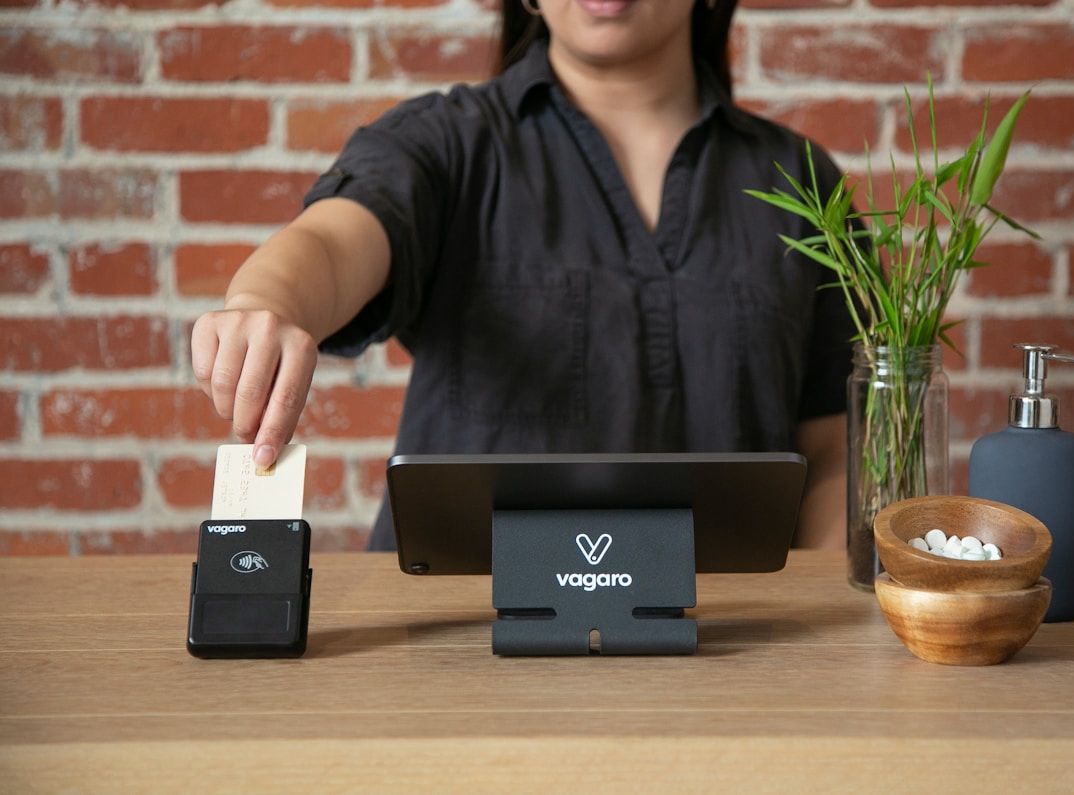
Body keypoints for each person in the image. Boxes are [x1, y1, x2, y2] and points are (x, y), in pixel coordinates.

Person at [190, 0, 856, 551]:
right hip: (460, 636)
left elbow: (833, 448)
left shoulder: (802, 185)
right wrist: (266, 300)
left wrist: (818, 617)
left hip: (729, 641)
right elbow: (336, 239)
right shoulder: (450, 141)